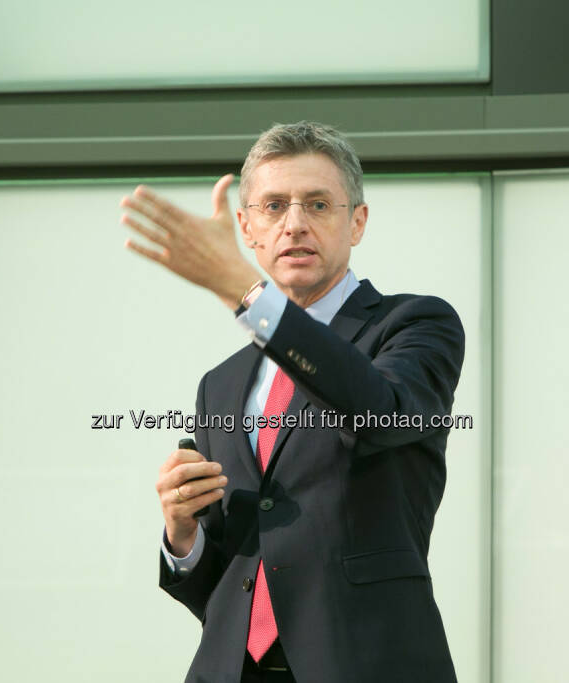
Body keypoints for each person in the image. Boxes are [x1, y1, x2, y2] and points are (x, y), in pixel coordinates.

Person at [120, 121, 464, 683]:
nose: (295, 224)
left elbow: (377, 412)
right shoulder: (220, 386)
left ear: (357, 221)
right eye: (274, 206)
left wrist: (243, 291)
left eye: (319, 204)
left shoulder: (416, 325)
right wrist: (183, 534)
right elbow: (231, 589)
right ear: (247, 228)